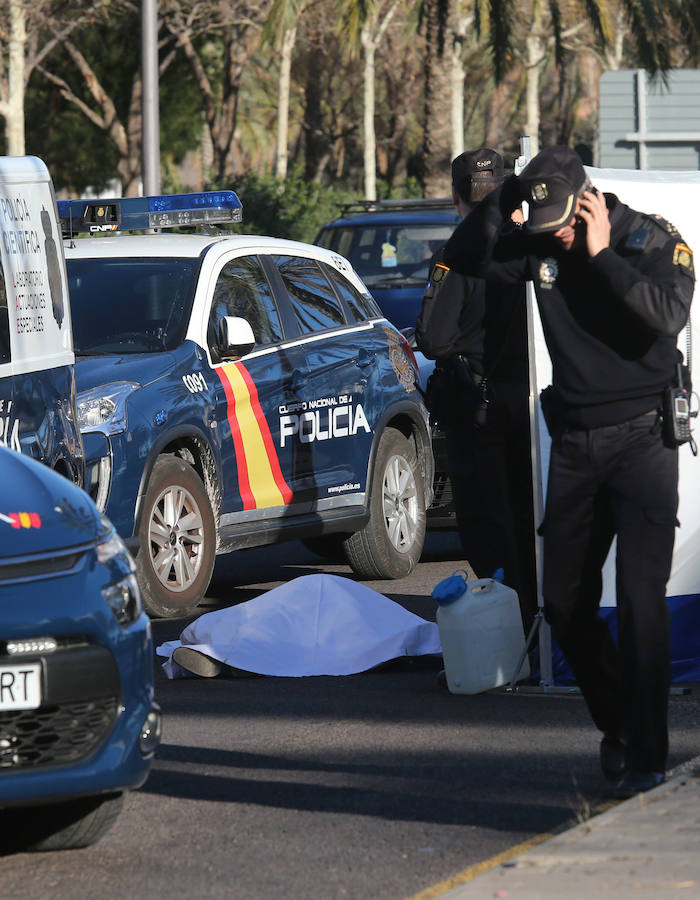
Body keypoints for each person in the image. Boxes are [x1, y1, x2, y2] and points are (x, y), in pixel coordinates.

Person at [443, 144, 695, 798]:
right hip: (578, 446)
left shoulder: (652, 240)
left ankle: (649, 757)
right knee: (564, 606)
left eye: (560, 224)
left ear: (589, 201)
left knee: (642, 607)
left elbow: (667, 317)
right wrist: (500, 200)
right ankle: (618, 724)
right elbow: (466, 259)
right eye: (542, 223)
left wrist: (602, 253)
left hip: (645, 443)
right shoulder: (538, 242)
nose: (551, 235)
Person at [416, 148, 537, 633]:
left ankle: (511, 630)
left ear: (455, 196)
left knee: (488, 529)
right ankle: (536, 624)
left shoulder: (459, 255)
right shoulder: (535, 246)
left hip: (477, 408)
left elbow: (433, 338)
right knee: (529, 523)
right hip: (530, 406)